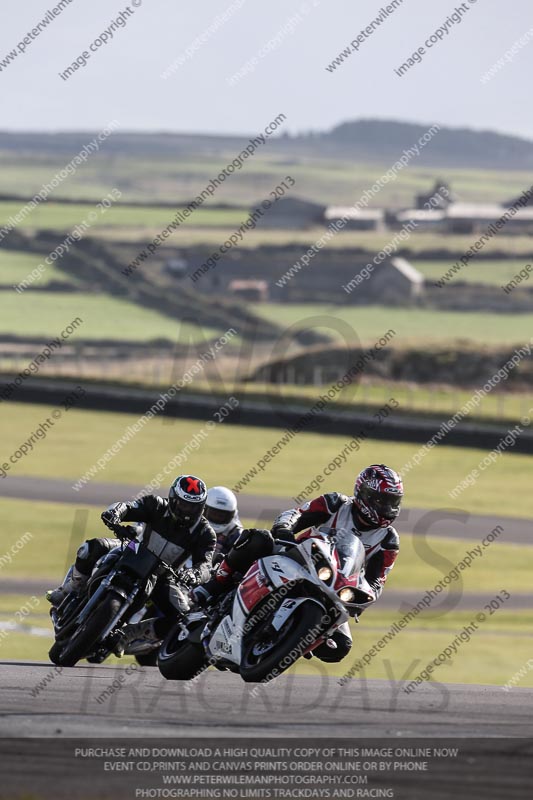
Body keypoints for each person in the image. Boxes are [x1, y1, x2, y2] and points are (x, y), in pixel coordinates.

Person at [193, 464, 403, 664]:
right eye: (382, 501)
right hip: (298, 557)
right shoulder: (336, 503)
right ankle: (214, 584)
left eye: (393, 502)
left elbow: (376, 582)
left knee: (339, 646)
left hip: (334, 585)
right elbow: (297, 514)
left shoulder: (388, 539)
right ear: (365, 495)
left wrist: (362, 598)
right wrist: (284, 529)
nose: (388, 508)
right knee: (258, 539)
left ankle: (291, 639)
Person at [47, 475, 216, 655]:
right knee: (91, 548)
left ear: (201, 507)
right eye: (183, 504)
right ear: (173, 499)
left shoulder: (205, 533)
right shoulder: (156, 504)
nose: (187, 510)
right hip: (134, 548)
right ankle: (69, 590)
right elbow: (129, 507)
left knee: (183, 618)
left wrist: (194, 574)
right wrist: (115, 513)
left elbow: (206, 565)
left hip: (162, 575)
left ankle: (130, 634)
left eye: (192, 506)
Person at [204, 486, 243, 558]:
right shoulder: (193, 524)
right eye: (213, 514)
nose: (217, 518)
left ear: (233, 515)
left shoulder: (236, 535)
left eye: (221, 516)